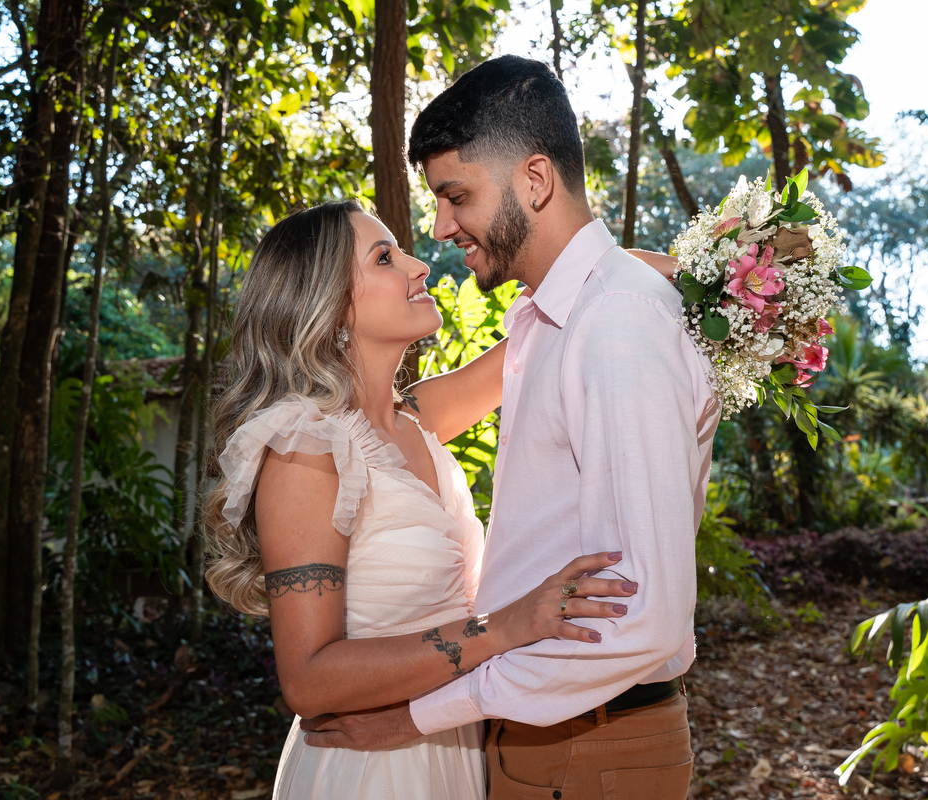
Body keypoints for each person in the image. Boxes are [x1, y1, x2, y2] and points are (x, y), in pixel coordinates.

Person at [300, 56, 720, 800]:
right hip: (533, 732)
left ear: (534, 180)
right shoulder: (549, 318)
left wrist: (420, 717)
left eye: (455, 196)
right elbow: (411, 416)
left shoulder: (615, 322)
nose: (438, 230)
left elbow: (645, 613)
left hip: (588, 741)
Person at [201, 199, 641, 800]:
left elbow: (557, 317)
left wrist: (712, 269)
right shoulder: (306, 449)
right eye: (385, 258)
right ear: (329, 305)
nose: (419, 266)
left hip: (455, 746)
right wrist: (504, 627)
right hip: (371, 773)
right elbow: (307, 680)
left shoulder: (415, 419)